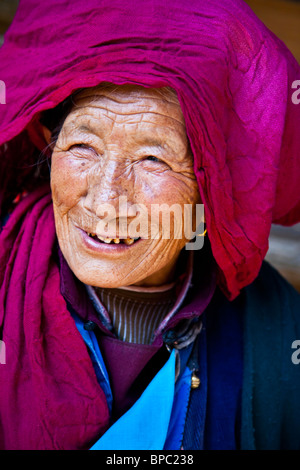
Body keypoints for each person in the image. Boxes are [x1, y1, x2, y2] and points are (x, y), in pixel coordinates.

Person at [0, 0, 300, 451]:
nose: (105, 200)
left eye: (153, 159)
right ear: (49, 140)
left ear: (213, 186)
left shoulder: (277, 328)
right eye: (83, 146)